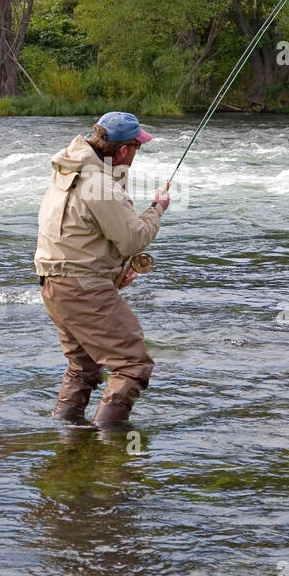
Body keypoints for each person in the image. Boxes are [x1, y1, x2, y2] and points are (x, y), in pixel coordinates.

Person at [34, 111, 171, 427]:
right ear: (123, 150)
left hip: (53, 285)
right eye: (137, 147)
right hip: (81, 287)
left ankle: (66, 437)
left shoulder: (70, 170)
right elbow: (134, 240)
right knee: (133, 364)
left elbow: (77, 233)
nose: (137, 154)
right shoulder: (99, 184)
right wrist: (157, 209)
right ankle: (107, 444)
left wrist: (112, 272)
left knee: (83, 367)